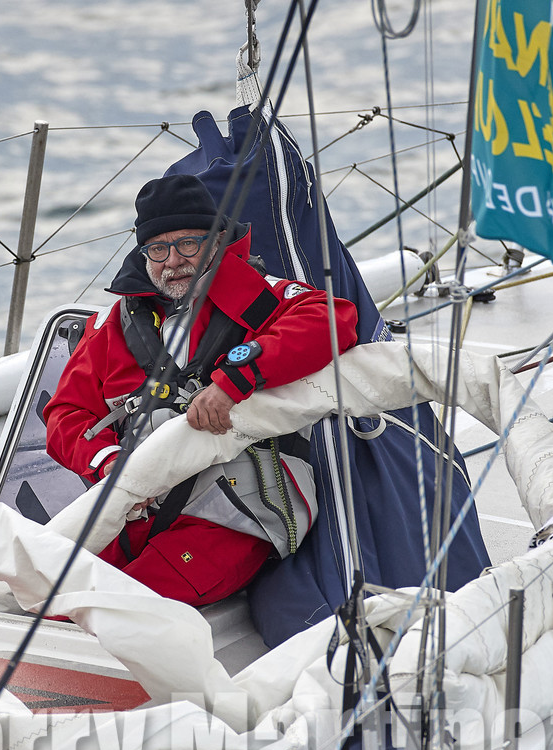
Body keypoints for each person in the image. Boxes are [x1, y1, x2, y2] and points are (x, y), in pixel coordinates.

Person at [44, 173, 359, 606]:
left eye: (188, 243)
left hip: (235, 513)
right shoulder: (115, 325)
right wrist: (110, 465)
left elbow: (333, 318)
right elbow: (65, 414)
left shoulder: (264, 298)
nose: (173, 260)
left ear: (217, 240)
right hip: (134, 512)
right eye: (158, 248)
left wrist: (235, 380)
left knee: (112, 610)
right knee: (41, 596)